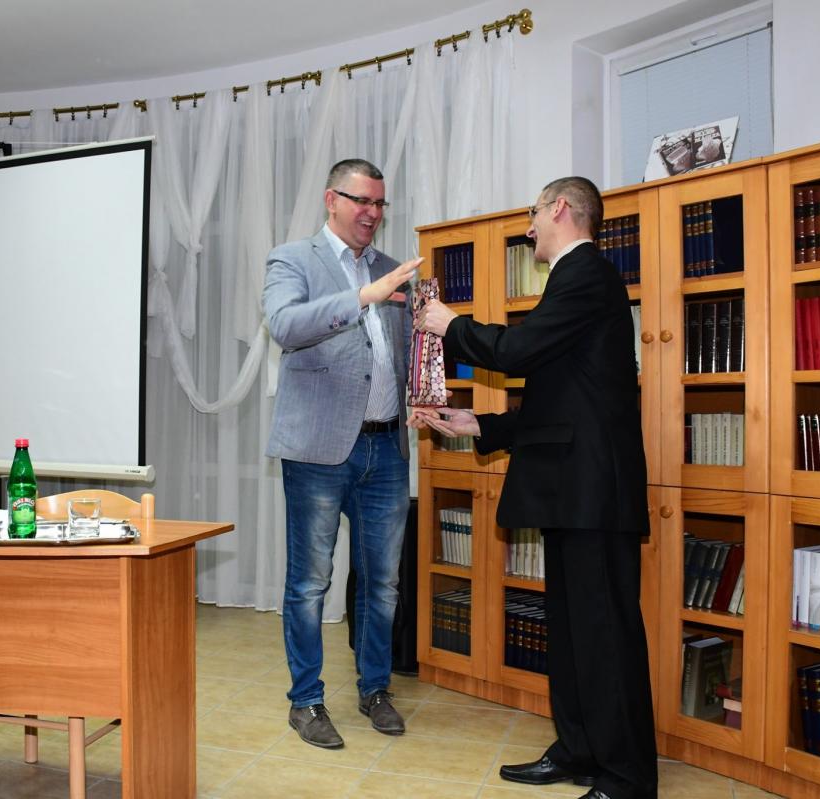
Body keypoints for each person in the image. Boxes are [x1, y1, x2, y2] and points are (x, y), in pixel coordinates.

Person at [409, 177, 657, 799]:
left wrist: (450, 324)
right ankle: (579, 751)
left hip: (594, 495)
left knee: (604, 637)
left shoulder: (587, 274)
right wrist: (481, 424)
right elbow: (559, 400)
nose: (528, 229)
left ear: (560, 209)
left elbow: (517, 351)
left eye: (533, 214)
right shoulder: (573, 281)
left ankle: (627, 778)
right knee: (573, 634)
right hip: (573, 491)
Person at [263, 158, 420, 749]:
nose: (373, 214)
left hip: (387, 447)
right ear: (332, 200)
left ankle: (375, 689)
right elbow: (285, 325)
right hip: (318, 449)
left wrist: (421, 397)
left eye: (380, 204)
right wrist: (361, 296)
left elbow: (401, 352)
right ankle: (305, 701)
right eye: (362, 202)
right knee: (310, 582)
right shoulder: (292, 259)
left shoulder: (389, 267)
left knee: (382, 582)